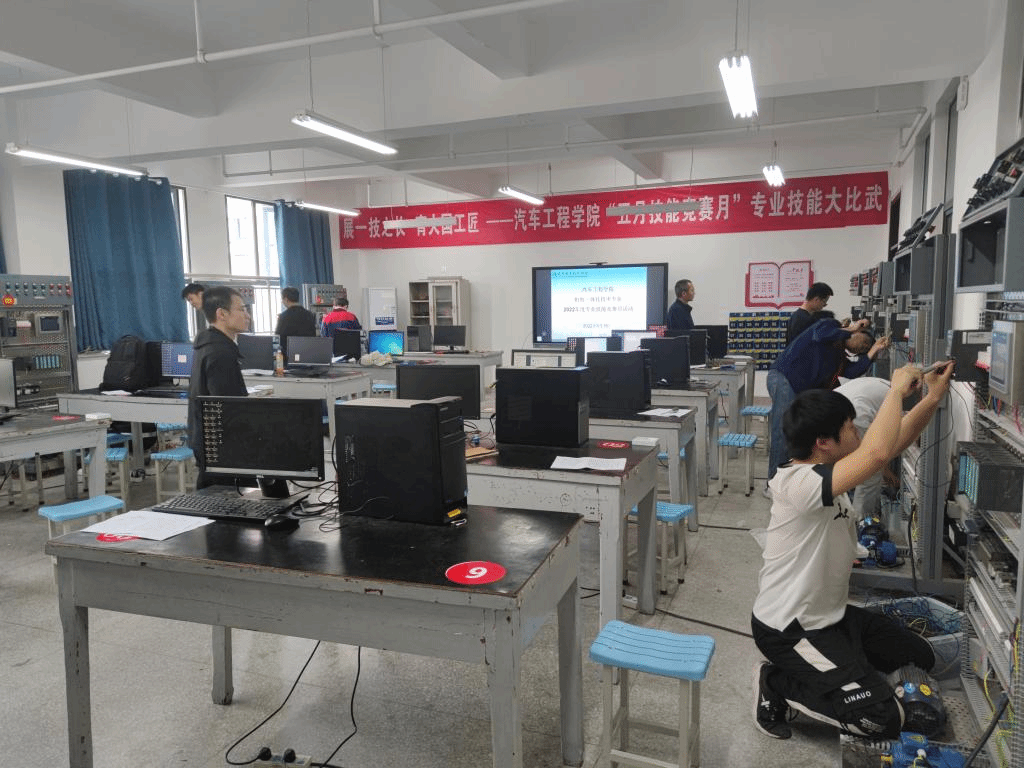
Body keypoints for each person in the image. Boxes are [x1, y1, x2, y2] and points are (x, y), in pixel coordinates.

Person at [753, 362, 953, 741]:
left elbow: (894, 441)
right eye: (850, 427)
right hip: (790, 630)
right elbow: (877, 454)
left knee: (920, 656)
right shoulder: (799, 483)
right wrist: (895, 391)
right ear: (823, 442)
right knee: (880, 718)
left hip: (830, 618)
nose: (858, 430)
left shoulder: (827, 468)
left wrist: (933, 397)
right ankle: (775, 681)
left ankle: (840, 670)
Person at [766, 317, 890, 487]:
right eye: (864, 341)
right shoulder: (829, 325)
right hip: (785, 378)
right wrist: (851, 329)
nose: (862, 347)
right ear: (857, 331)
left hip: (798, 389)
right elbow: (820, 335)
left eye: (864, 348)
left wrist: (873, 350)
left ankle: (788, 479)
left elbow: (851, 371)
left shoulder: (839, 358)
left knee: (794, 432)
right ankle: (773, 483)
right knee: (781, 432)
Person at [188, 286, 250, 489]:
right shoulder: (220, 353)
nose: (247, 315)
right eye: (241, 309)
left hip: (208, 444)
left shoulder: (207, 345)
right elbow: (228, 408)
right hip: (223, 449)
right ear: (221, 314)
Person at [834, 377, 894, 518]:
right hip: (854, 416)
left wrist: (888, 474)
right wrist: (888, 475)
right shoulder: (895, 397)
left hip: (837, 412)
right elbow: (874, 457)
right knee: (870, 473)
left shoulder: (883, 387)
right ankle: (860, 521)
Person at [274, 286, 317, 358]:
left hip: (289, 357)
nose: (282, 302)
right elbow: (313, 336)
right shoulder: (310, 315)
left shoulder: (283, 317)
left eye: (282, 300)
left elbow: (278, 338)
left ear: (286, 299)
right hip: (307, 356)